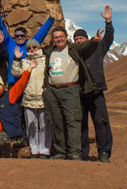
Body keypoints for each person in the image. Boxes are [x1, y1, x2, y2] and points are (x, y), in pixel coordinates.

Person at [42, 24, 102, 160]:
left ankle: (74, 151)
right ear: (52, 39)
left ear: (66, 37)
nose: (58, 40)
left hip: (70, 89)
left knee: (72, 120)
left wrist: (94, 41)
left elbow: (86, 47)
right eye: (56, 38)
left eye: (61, 37)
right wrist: (46, 87)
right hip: (52, 90)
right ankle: (60, 151)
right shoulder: (49, 52)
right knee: (56, 121)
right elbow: (46, 71)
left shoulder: (73, 49)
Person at [74, 5, 114, 162]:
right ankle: (83, 152)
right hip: (79, 93)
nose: (78, 41)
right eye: (76, 39)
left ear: (86, 38)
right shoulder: (74, 53)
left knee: (101, 122)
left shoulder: (98, 47)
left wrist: (108, 22)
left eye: (81, 39)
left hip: (97, 91)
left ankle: (104, 152)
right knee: (81, 124)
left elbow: (109, 39)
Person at [0, 65, 36, 158]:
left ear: (2, 85)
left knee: (1, 141)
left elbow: (20, 84)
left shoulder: (10, 95)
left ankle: (7, 157)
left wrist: (28, 71)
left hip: (6, 130)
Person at [0, 5, 57, 86]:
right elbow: (3, 31)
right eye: (17, 36)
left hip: (28, 83)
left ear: (26, 36)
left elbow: (42, 33)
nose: (19, 37)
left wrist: (51, 19)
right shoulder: (11, 45)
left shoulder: (30, 45)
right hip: (13, 84)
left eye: (22, 35)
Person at [11, 39, 51, 158]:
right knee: (31, 125)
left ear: (38, 48)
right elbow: (15, 72)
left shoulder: (45, 60)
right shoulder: (24, 62)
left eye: (34, 47)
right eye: (29, 48)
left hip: (43, 97)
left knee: (44, 125)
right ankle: (34, 149)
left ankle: (44, 149)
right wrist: (17, 59)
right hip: (28, 97)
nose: (32, 50)